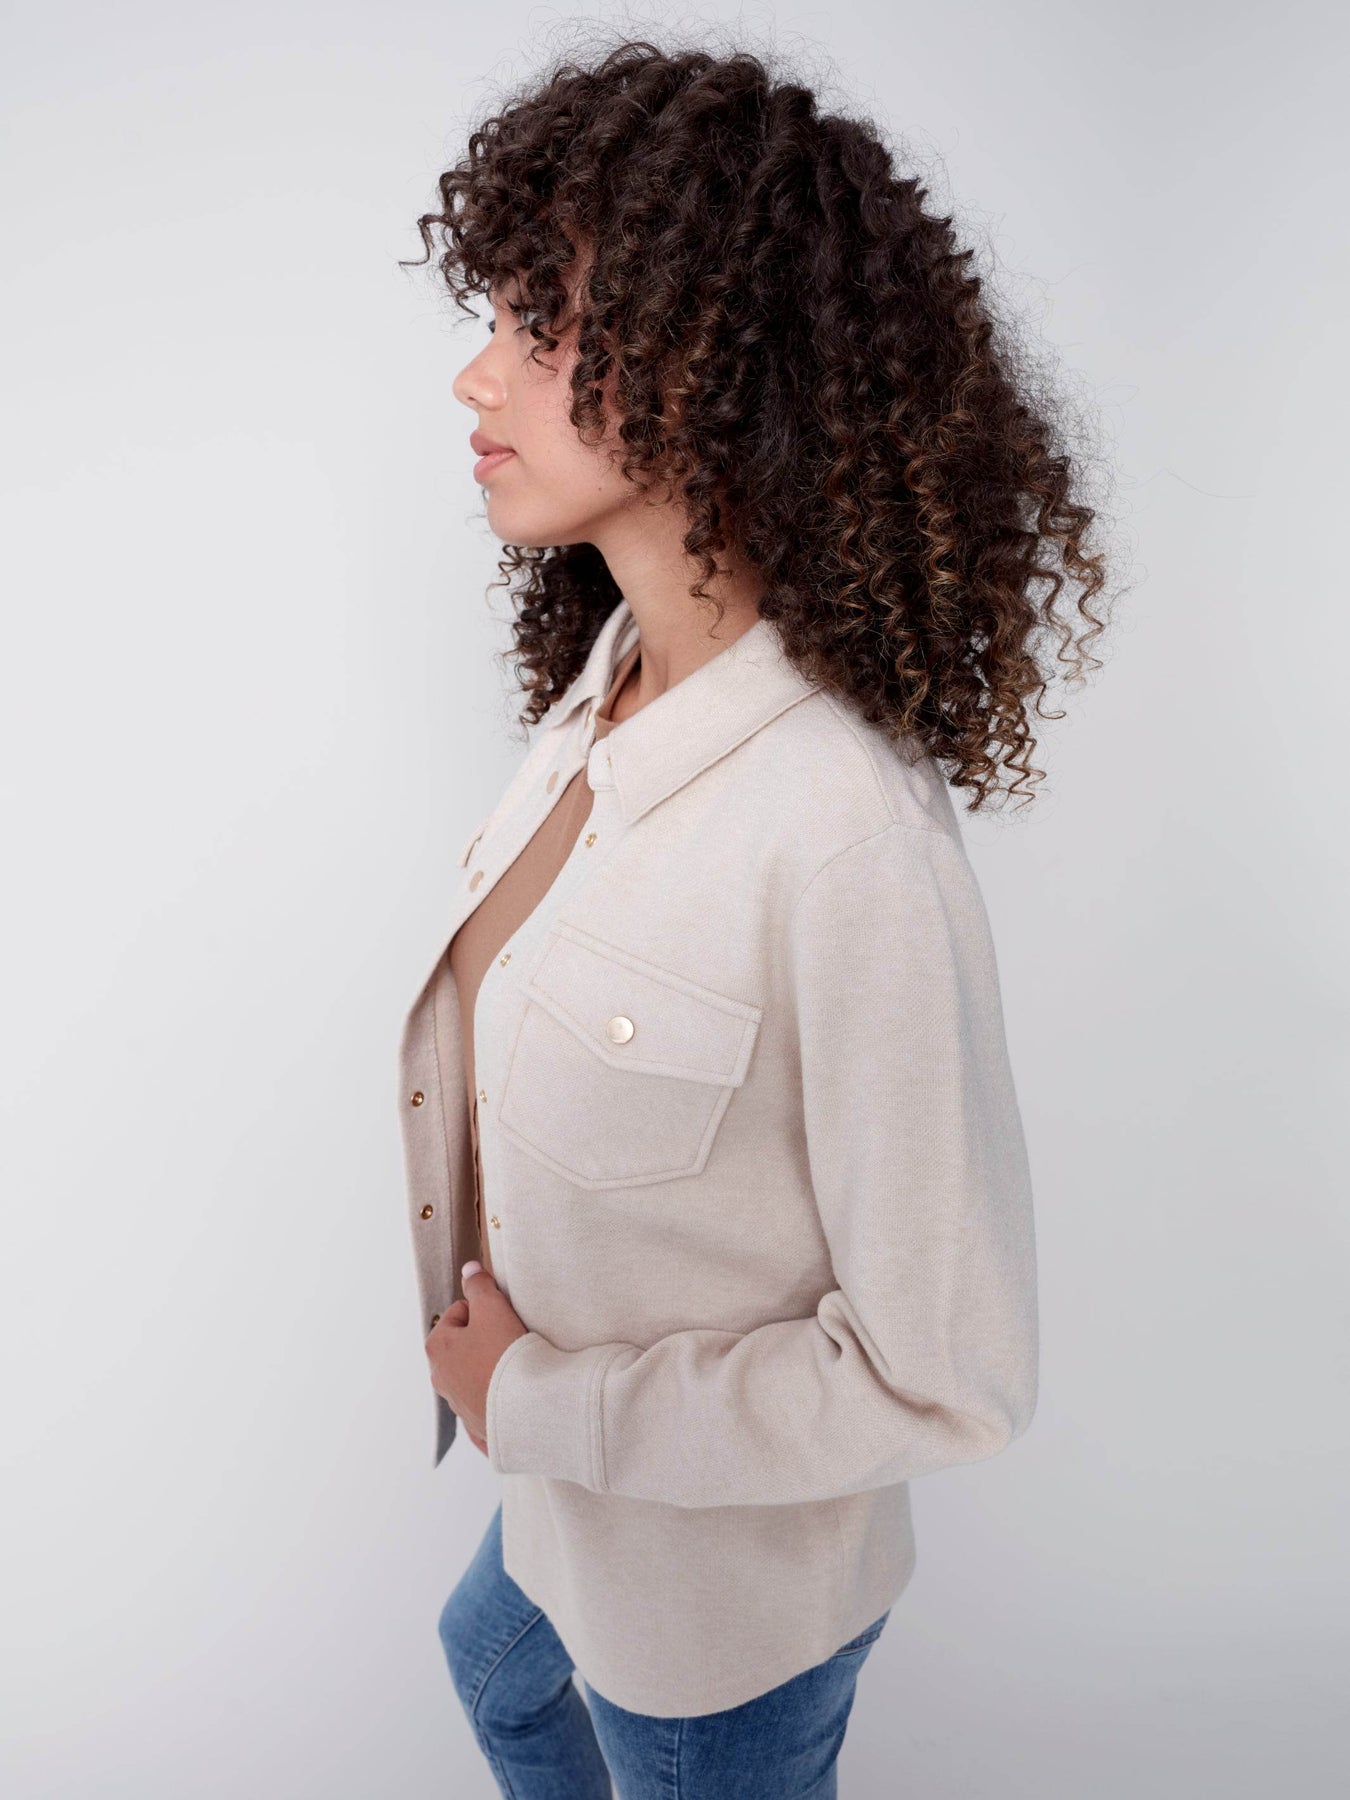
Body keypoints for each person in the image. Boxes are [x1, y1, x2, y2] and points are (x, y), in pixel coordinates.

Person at [395, 35, 1110, 1799]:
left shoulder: (845, 843)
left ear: (715, 368)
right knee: (491, 1672)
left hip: (709, 1629)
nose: (475, 376)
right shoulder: (603, 697)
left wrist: (530, 1402)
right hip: (562, 1518)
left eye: (540, 326)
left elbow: (949, 1378)